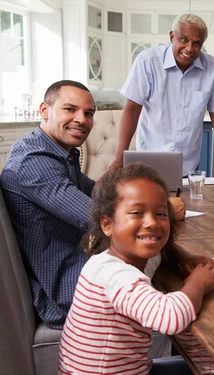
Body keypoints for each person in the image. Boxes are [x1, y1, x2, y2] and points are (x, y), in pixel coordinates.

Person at [0, 80, 186, 332]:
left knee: (169, 259)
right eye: (70, 109)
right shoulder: (34, 161)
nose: (82, 119)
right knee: (178, 276)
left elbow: (102, 192)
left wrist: (153, 203)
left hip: (82, 265)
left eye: (88, 113)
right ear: (44, 110)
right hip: (69, 288)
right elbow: (96, 218)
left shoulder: (54, 151)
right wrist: (161, 211)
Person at [58, 163, 214, 374]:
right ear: (107, 225)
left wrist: (183, 256)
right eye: (137, 212)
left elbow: (159, 253)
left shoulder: (127, 257)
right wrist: (197, 283)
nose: (152, 222)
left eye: (161, 214)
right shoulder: (115, 275)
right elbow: (170, 318)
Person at [113, 13, 214, 177]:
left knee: (185, 203)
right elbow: (132, 110)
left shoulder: (212, 67)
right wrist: (119, 158)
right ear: (172, 36)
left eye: (197, 43)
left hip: (188, 164)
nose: (189, 48)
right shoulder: (148, 61)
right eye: (184, 40)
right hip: (148, 160)